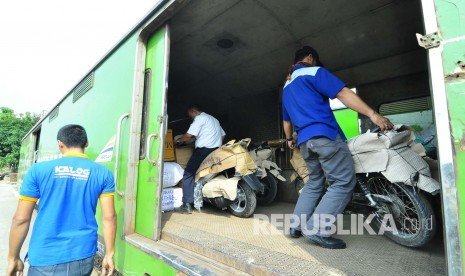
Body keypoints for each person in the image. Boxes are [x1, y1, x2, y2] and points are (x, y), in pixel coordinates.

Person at [282, 46, 393, 249]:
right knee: (342, 182)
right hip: (324, 136)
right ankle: (317, 229)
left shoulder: (287, 87)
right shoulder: (314, 72)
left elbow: (286, 123)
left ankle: (295, 226)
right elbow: (343, 94)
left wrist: (290, 140)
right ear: (309, 57)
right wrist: (373, 114)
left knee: (315, 182)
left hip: (306, 143)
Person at [7, 125, 116, 275]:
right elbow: (109, 217)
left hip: (45, 256)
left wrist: (13, 257)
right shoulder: (104, 174)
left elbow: (21, 219)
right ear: (86, 143)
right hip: (83, 255)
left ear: (60, 144)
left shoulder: (38, 171)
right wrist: (109, 254)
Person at [175, 104, 225, 214]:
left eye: (190, 116)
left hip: (203, 150)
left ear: (194, 112)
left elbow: (188, 136)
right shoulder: (213, 119)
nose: (191, 118)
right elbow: (223, 135)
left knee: (188, 173)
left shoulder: (199, 118)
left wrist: (179, 141)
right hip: (216, 151)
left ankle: (187, 204)